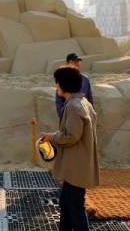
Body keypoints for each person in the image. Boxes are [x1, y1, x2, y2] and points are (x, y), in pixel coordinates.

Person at [41, 66, 100, 231]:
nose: (56, 86)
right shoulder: (83, 102)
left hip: (76, 166)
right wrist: (53, 136)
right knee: (66, 202)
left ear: (63, 84)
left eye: (57, 82)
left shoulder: (73, 106)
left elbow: (72, 136)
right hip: (77, 164)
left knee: (75, 207)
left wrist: (52, 137)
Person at [55, 53, 94, 118]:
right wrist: (63, 117)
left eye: (78, 61)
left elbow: (90, 98)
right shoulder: (63, 79)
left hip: (84, 113)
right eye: (73, 61)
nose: (76, 63)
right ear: (67, 64)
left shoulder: (85, 79)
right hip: (69, 113)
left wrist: (90, 114)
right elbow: (59, 101)